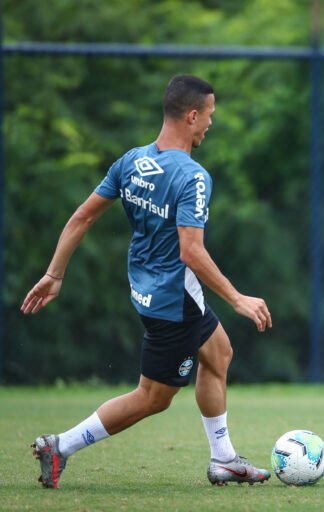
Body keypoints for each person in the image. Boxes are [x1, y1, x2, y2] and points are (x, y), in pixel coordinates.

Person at [21, 75, 273, 489]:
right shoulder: (192, 177)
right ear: (192, 115)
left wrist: (54, 274)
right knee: (153, 397)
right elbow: (190, 251)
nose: (210, 123)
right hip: (175, 300)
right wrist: (237, 298)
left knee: (219, 353)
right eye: (209, 115)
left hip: (146, 289)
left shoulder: (132, 161)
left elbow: (82, 217)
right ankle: (60, 446)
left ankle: (224, 459)